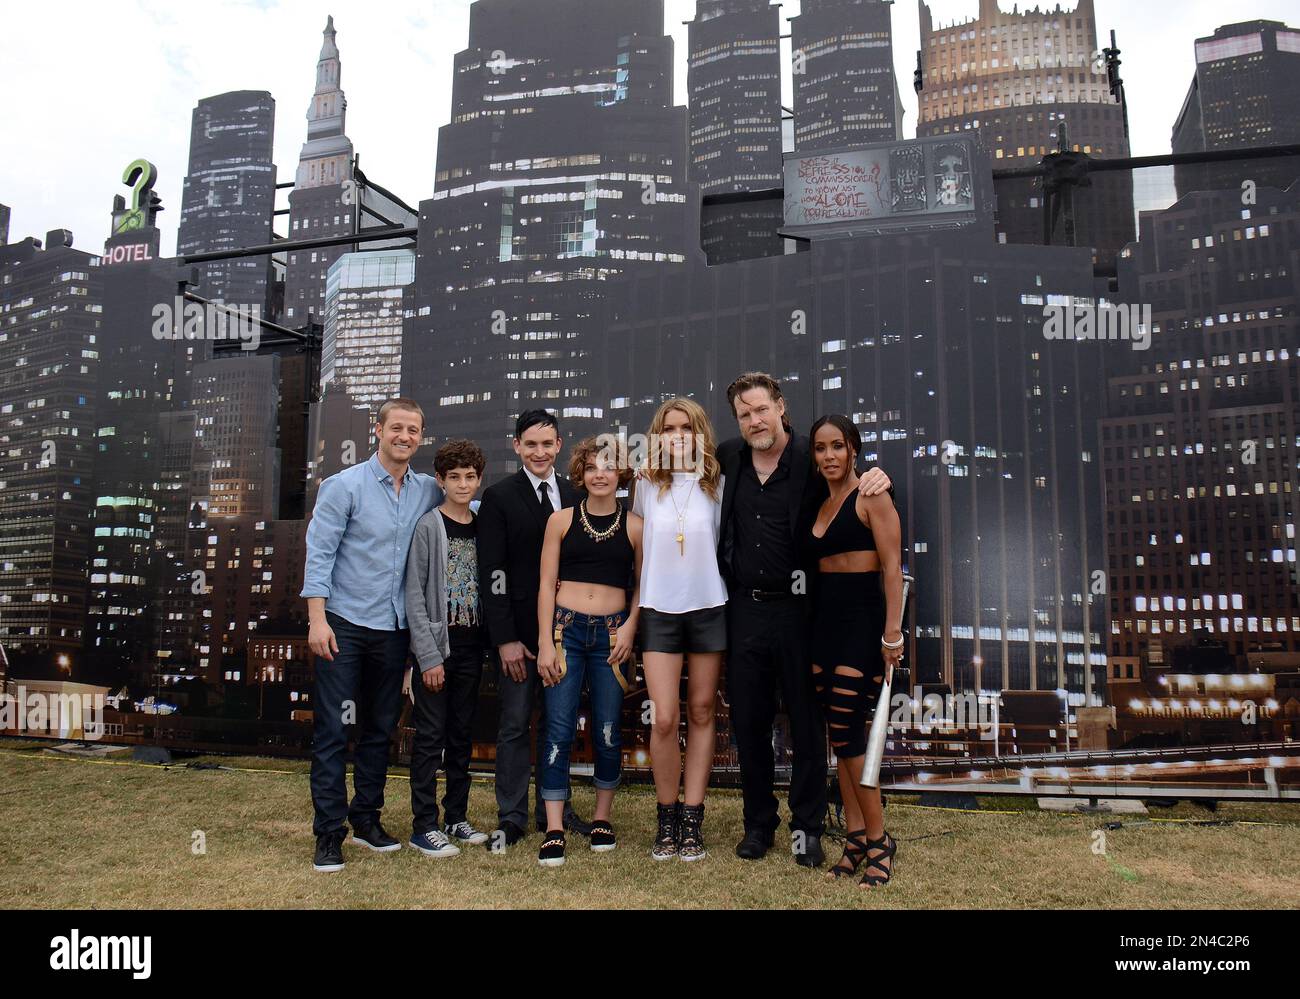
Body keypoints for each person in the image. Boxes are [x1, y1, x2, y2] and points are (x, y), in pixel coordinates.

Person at [717, 373, 892, 868]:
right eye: (744, 414)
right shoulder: (729, 456)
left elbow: (853, 480)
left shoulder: (811, 458)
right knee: (749, 724)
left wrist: (883, 474)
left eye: (761, 410)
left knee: (808, 726)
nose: (754, 420)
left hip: (800, 610)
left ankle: (806, 828)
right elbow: (679, 466)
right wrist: (641, 474)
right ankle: (759, 826)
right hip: (744, 609)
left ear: (780, 407)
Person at [302, 399, 444, 873]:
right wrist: (316, 619)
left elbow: (468, 503)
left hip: (395, 629)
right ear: (378, 429)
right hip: (343, 624)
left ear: (421, 437)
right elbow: (319, 554)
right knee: (332, 732)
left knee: (380, 731)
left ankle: (366, 821)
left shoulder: (427, 490)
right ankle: (329, 835)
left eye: (414, 430)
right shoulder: (343, 486)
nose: (404, 436)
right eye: (397, 428)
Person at [477, 410, 588, 848]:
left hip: (570, 634)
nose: (539, 452)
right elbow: (492, 572)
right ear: (517, 446)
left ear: (559, 445)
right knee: (515, 723)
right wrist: (504, 639)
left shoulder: (577, 493)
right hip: (519, 638)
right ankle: (512, 815)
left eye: (548, 444)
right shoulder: (499, 497)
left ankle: (554, 809)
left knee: (559, 725)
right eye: (531, 444)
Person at [535, 438, 643, 867]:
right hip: (566, 633)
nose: (601, 474)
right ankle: (556, 826)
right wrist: (545, 641)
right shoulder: (560, 521)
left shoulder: (635, 525)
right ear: (580, 473)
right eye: (593, 467)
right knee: (559, 728)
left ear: (621, 475)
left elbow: (643, 586)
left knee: (607, 729)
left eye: (609, 467)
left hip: (614, 637)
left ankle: (602, 819)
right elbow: (546, 584)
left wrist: (633, 626)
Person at [807, 416, 904, 888]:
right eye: (821, 448)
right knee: (840, 738)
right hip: (823, 626)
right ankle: (855, 839)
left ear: (853, 450)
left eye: (838, 447)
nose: (829, 456)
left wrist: (892, 633)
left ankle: (880, 840)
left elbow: (892, 569)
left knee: (849, 736)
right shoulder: (819, 503)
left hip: (863, 627)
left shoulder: (872, 495)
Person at [631, 398, 726, 861]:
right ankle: (665, 817)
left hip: (710, 607)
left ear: (700, 432)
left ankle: (692, 818)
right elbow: (638, 554)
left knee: (703, 710)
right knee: (665, 717)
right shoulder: (646, 484)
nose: (678, 436)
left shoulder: (719, 484)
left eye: (686, 427)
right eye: (669, 429)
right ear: (658, 435)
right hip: (658, 610)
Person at [404, 440, 493, 859]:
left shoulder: (482, 523)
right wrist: (428, 657)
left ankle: (456, 816)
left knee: (461, 737)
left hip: (473, 648)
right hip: (439, 649)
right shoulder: (428, 527)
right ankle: (424, 825)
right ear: (440, 480)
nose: (462, 484)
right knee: (430, 738)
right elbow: (415, 596)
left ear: (479, 479)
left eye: (470, 476)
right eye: (453, 477)